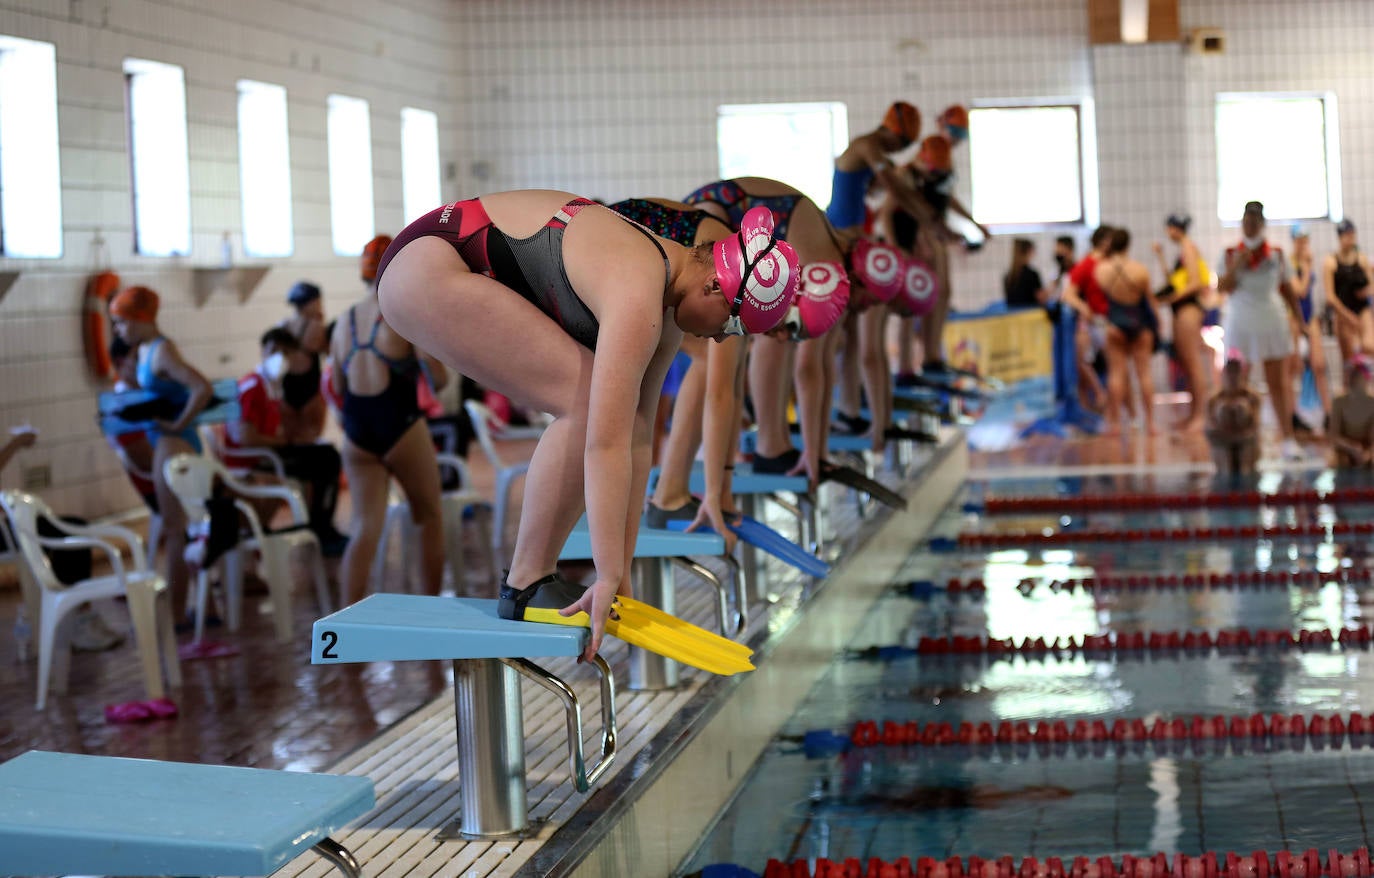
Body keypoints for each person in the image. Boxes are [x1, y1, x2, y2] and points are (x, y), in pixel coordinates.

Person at [375, 191, 800, 661]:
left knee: (601, 406)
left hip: (443, 255)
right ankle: (525, 582)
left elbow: (638, 436)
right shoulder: (639, 290)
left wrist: (622, 573)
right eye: (734, 326)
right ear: (716, 288)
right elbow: (605, 444)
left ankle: (531, 577)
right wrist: (604, 574)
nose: (721, 337)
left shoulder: (666, 301)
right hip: (428, 264)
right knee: (583, 403)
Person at [329, 234, 449, 605]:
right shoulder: (401, 311)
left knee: (364, 529)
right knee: (428, 516)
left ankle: (347, 623)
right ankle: (430, 612)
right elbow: (440, 379)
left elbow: (336, 384)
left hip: (356, 431)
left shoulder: (343, 323)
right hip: (399, 425)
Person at [109, 285, 213, 622]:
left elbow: (202, 387)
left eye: (122, 322)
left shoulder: (162, 351)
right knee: (182, 531)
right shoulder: (145, 351)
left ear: (140, 319)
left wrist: (177, 423)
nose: (118, 330)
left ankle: (178, 614)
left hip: (176, 446)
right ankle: (204, 610)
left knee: (176, 531)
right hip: (167, 445)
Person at [227, 327, 348, 555]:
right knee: (327, 460)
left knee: (327, 455)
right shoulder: (252, 386)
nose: (278, 358)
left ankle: (320, 525)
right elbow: (243, 436)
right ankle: (320, 528)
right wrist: (282, 442)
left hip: (267, 453)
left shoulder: (272, 386)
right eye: (274, 351)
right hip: (253, 460)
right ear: (262, 351)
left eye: (285, 353)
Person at [1216, 201, 1304, 460]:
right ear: (1242, 222)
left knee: (1278, 382)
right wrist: (1237, 265)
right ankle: (1243, 438)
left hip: (1271, 320)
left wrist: (1301, 321)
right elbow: (1222, 288)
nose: (1250, 225)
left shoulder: (1276, 254)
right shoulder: (1230, 253)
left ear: (1262, 224)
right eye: (1246, 220)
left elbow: (1288, 289)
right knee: (1236, 384)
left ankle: (1288, 438)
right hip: (1240, 321)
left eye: (1255, 221)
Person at [1093, 228, 1157, 435]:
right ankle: (1151, 423)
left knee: (1116, 375)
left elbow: (1097, 300)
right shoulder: (1140, 269)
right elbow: (1150, 301)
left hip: (1115, 325)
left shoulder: (1101, 270)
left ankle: (1115, 424)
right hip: (1139, 324)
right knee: (1144, 375)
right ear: (1128, 244)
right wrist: (1158, 327)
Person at [1151, 214, 1212, 432]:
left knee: (1193, 362)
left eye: (1169, 229)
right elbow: (1174, 282)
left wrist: (1169, 299)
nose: (1168, 233)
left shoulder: (1188, 247)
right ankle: (1193, 413)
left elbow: (1194, 283)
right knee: (1186, 362)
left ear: (1176, 228)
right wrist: (1160, 257)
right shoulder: (1183, 250)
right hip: (1182, 309)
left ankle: (1200, 416)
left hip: (1189, 309)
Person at [1289, 225, 1331, 430]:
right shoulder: (1290, 263)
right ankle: (1293, 416)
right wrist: (1306, 267)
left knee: (1319, 365)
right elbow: (1301, 292)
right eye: (1300, 239)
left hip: (1309, 316)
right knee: (1294, 366)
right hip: (1293, 318)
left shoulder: (1307, 262)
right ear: (1293, 240)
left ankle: (1329, 413)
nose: (1304, 243)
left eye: (1306, 239)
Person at [278, 281, 329, 443]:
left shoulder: (282, 326)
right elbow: (328, 352)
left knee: (290, 437)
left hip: (287, 386)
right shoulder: (316, 326)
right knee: (311, 437)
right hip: (309, 386)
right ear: (312, 302)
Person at [1324, 218, 1374, 366]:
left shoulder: (1362, 259)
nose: (1351, 239)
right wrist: (1348, 316)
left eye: (1353, 235)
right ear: (1340, 237)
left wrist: (1366, 291)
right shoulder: (1330, 262)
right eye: (1347, 235)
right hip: (1342, 313)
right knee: (1350, 357)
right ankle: (1351, 385)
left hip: (1361, 309)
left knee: (1369, 345)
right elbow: (1330, 296)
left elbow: (1372, 284)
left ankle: (1368, 384)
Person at [1205, 353, 1261, 477]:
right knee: (1222, 409)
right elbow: (1209, 431)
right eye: (1230, 373)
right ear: (1223, 375)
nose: (1233, 378)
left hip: (1245, 443)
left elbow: (1255, 428)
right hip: (1223, 444)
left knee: (1242, 406)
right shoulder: (1214, 399)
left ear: (1242, 375)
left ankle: (1246, 480)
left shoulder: (1251, 397)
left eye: (1236, 373)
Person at [1330, 358, 1374, 468]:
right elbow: (1334, 436)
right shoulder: (1339, 402)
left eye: (1356, 375)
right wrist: (1351, 448)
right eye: (1351, 375)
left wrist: (1368, 454)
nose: (1353, 379)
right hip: (1346, 449)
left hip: (1366, 447)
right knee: (1339, 461)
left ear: (1366, 378)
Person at [1003, 238, 1048, 309]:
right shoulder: (1032, 275)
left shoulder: (1008, 276)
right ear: (1029, 251)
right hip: (1030, 315)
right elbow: (1042, 298)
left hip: (1012, 317)